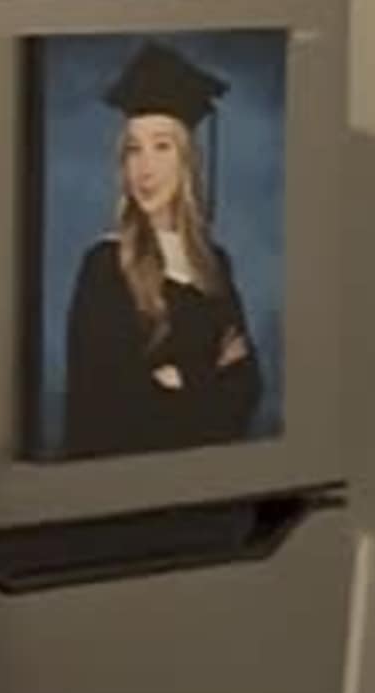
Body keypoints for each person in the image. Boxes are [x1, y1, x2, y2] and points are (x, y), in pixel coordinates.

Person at [58, 48, 263, 461]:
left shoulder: (214, 265)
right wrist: (206, 379)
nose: (144, 168)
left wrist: (179, 382)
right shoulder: (106, 264)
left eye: (162, 146)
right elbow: (105, 405)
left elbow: (246, 387)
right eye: (134, 149)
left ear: (187, 162)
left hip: (208, 479)